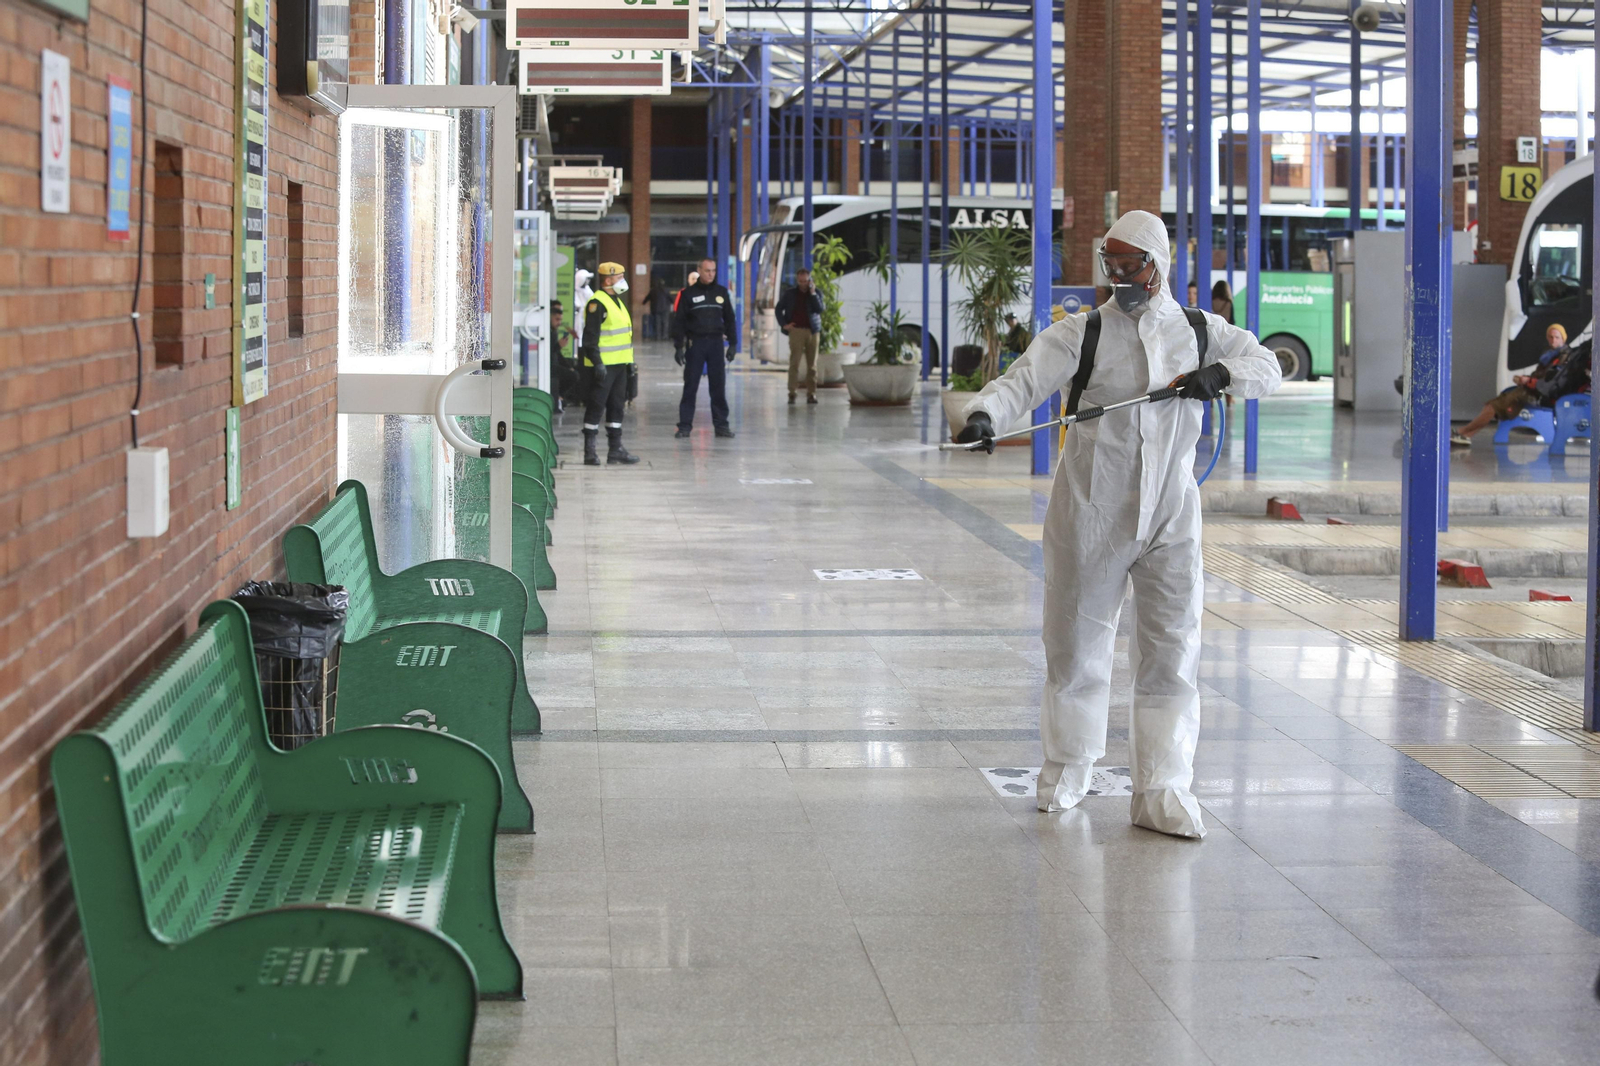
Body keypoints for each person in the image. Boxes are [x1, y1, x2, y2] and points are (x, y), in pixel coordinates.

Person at [954, 210, 1282, 839]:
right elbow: (1020, 383)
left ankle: (1162, 786)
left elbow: (1267, 366)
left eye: (1131, 266)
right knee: (1076, 643)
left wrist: (1223, 374)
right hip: (1091, 511)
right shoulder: (1083, 334)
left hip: (1171, 514)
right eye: (1111, 265)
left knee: (1172, 649)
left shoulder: (1199, 331)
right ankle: (1069, 767)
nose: (1120, 276)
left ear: (1158, 266)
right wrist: (981, 416)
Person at [1451, 323, 1582, 445]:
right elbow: (1541, 377)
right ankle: (1466, 434)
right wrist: (1524, 379)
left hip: (1540, 396)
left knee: (1493, 407)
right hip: (1533, 392)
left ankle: (1463, 432)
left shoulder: (1563, 358)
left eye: (1557, 337)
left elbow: (1550, 384)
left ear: (1563, 339)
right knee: (1493, 405)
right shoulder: (1550, 356)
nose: (1553, 340)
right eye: (1551, 337)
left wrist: (1528, 381)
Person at [578, 262, 641, 466]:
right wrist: (597, 363)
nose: (623, 281)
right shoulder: (598, 303)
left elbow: (625, 337)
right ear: (607, 280)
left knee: (617, 407)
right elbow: (590, 338)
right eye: (619, 277)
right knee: (596, 407)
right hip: (603, 368)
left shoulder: (617, 302)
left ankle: (615, 450)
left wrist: (630, 363)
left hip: (619, 366)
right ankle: (590, 452)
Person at [672, 257, 738, 438]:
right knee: (691, 385)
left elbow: (730, 320)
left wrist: (733, 344)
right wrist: (678, 346)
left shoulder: (721, 293)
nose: (711, 274)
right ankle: (685, 426)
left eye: (713, 271)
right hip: (696, 344)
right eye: (708, 271)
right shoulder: (688, 294)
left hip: (716, 344)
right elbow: (679, 322)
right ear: (699, 270)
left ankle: (721, 426)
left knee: (718, 387)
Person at [776, 270, 824, 404]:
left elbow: (819, 309)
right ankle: (792, 393)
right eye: (800, 281)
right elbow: (778, 308)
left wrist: (813, 293)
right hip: (796, 331)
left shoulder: (816, 293)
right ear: (797, 281)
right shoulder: (790, 294)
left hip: (813, 331)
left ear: (810, 280)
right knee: (794, 363)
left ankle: (812, 394)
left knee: (812, 365)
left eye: (805, 281)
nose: (803, 284)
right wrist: (784, 324)